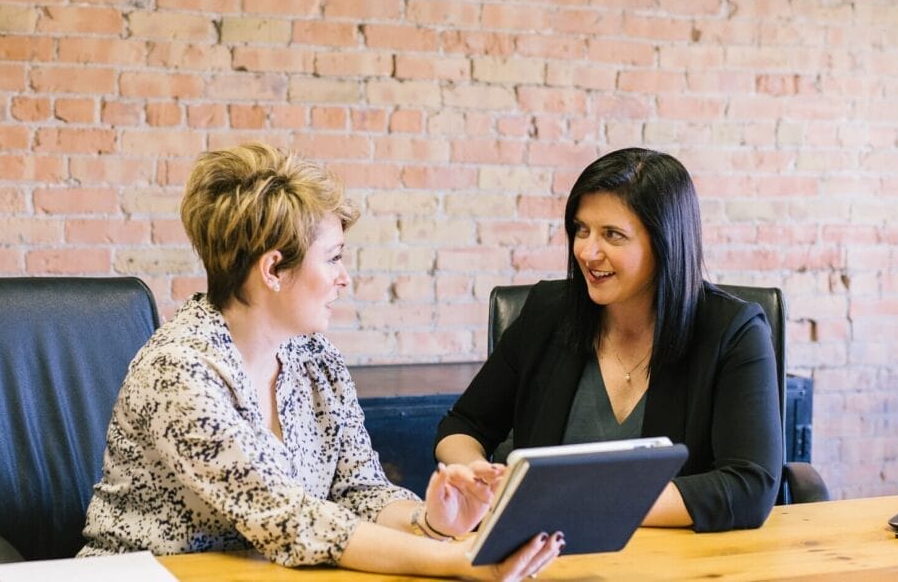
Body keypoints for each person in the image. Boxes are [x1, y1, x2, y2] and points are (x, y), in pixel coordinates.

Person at [80, 143, 562, 579]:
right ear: (273, 269)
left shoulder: (316, 358)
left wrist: (431, 521)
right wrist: (458, 560)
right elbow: (289, 519)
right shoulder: (179, 371)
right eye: (332, 258)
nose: (344, 278)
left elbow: (359, 490)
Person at [435, 147, 784, 532]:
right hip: (542, 556)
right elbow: (463, 425)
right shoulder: (548, 312)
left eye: (612, 235)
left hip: (676, 562)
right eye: (582, 230)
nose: (587, 251)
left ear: (665, 242)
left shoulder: (733, 331)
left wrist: (579, 504)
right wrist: (476, 478)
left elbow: (750, 486)